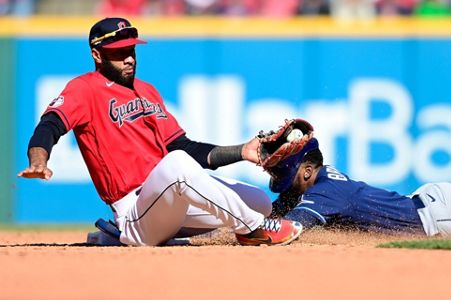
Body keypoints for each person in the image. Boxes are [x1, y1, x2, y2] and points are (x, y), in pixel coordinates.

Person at [17, 17, 302, 246]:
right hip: (133, 211)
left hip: (167, 202)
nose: (129, 58)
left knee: (260, 201)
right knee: (177, 166)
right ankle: (253, 230)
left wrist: (242, 151)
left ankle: (117, 237)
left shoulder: (147, 91)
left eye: (131, 50)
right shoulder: (84, 88)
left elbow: (184, 146)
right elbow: (50, 125)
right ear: (97, 54)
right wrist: (38, 160)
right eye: (119, 52)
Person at [269, 137, 451, 236]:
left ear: (308, 171)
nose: (278, 170)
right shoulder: (314, 183)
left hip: (438, 218)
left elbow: (283, 229)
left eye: (284, 165)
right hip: (426, 204)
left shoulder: (327, 191)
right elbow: (268, 215)